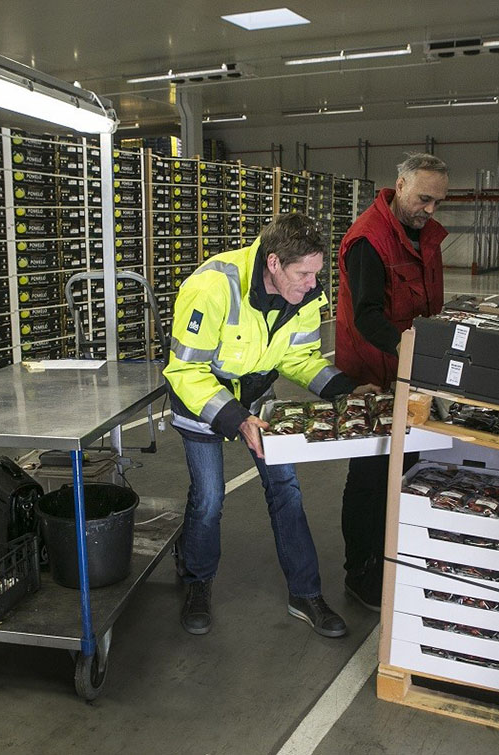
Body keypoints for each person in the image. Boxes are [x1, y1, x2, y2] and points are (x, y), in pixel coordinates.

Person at [164, 212, 364, 638]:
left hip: (256, 396)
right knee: (209, 497)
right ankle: (197, 580)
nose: (313, 284)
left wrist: (345, 391)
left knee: (285, 488)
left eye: (316, 272)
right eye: (304, 273)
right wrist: (238, 420)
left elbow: (300, 359)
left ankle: (305, 593)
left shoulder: (305, 294)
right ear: (274, 263)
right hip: (205, 400)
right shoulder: (213, 286)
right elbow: (185, 371)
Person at [335, 153, 449, 610]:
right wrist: (410, 351)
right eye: (424, 198)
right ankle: (359, 571)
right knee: (370, 477)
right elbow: (366, 316)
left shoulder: (424, 234)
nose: (430, 210)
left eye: (439, 201)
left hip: (414, 371)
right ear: (400, 185)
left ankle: (393, 558)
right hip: (375, 375)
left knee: (407, 470)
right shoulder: (369, 239)